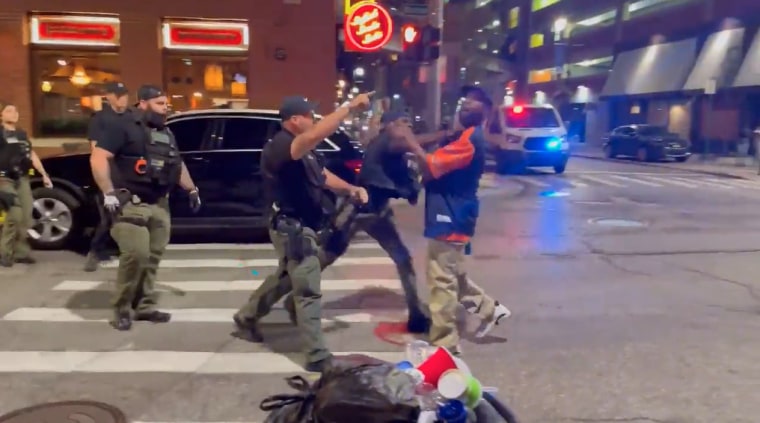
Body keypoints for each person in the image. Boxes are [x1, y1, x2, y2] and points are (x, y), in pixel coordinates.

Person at [233, 93, 373, 373]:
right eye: (309, 116)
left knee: (286, 278)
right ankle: (317, 356)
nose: (314, 120)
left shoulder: (305, 150)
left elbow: (321, 176)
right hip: (291, 228)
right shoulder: (282, 145)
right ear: (295, 120)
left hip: (305, 224)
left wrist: (350, 188)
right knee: (307, 289)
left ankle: (247, 316)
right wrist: (347, 108)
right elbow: (310, 139)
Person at [396, 86, 511, 356]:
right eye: (464, 102)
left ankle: (445, 342)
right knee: (451, 274)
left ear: (484, 111)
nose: (465, 106)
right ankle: (490, 309)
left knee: (441, 281)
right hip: (453, 214)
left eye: (472, 104)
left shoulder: (469, 140)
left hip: (451, 215)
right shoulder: (467, 136)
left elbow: (432, 165)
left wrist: (410, 142)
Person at [90, 85, 201, 331]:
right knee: (135, 255)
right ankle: (121, 308)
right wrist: (108, 192)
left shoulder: (166, 132)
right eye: (160, 103)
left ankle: (144, 307)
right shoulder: (122, 127)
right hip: (131, 203)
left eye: (166, 103)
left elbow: (176, 163)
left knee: (152, 258)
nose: (165, 107)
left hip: (160, 204)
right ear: (143, 104)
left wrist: (191, 189)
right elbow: (98, 157)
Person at [84, 82, 130, 272]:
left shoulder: (131, 117)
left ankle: (126, 251)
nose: (123, 99)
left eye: (125, 95)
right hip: (108, 172)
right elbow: (95, 151)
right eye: (118, 95)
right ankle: (94, 252)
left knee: (127, 215)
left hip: (128, 172)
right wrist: (103, 183)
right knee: (108, 216)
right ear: (109, 97)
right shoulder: (100, 119)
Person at [0, 103, 53, 267]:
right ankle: (5, 254)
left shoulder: (21, 134)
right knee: (15, 214)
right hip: (3, 179)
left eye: (15, 110)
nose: (14, 113)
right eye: (9, 111)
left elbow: (32, 155)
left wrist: (44, 174)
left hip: (21, 178)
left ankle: (21, 253)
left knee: (26, 215)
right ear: (1, 115)